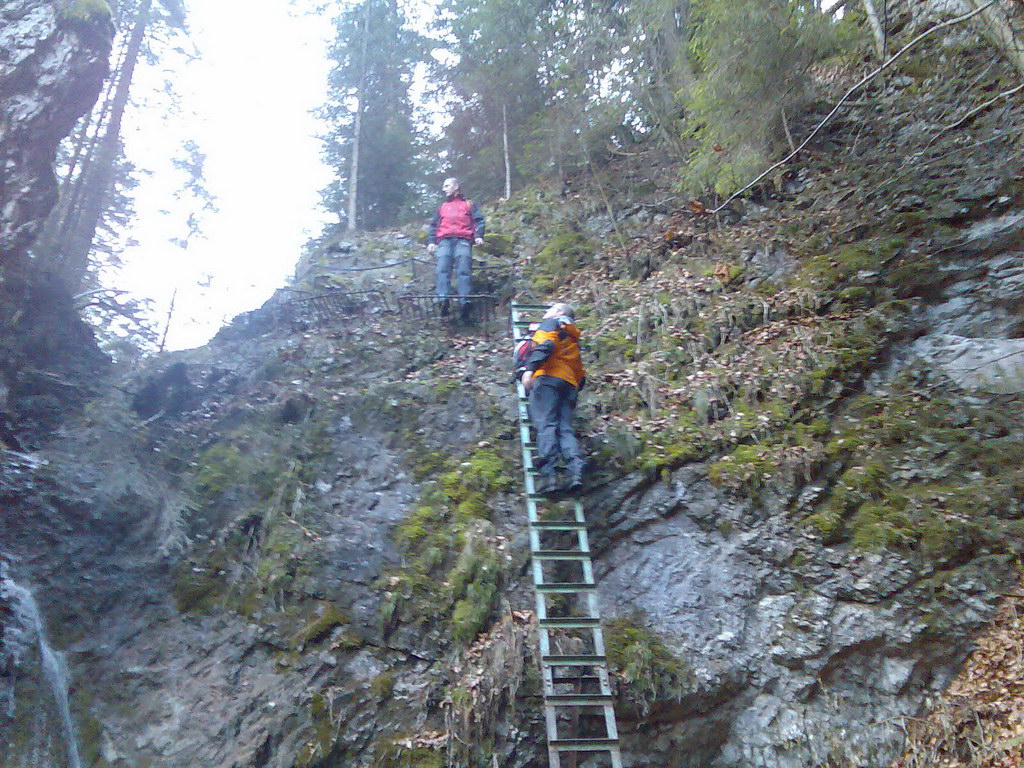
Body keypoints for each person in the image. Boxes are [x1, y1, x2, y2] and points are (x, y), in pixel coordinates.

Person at [521, 303, 586, 495]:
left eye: (550, 309)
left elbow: (546, 345)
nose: (546, 313)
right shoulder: (573, 335)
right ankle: (575, 472)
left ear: (559, 313)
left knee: (546, 424)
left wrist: (529, 370)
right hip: (570, 383)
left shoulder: (552, 323)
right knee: (564, 428)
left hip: (548, 377)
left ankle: (549, 476)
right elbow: (580, 368)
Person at [427, 177, 485, 322]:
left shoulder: (469, 204)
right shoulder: (442, 207)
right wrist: (431, 241)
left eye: (447, 186)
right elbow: (434, 225)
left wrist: (478, 236)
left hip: (463, 239)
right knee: (442, 269)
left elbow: (479, 220)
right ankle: (443, 300)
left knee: (464, 270)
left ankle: (464, 301)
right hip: (444, 240)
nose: (444, 189)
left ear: (456, 186)